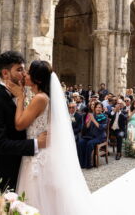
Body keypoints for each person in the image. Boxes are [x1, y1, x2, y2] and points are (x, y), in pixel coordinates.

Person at [8, 60, 95, 214]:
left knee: (38, 199)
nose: (25, 75)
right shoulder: (42, 96)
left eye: (28, 73)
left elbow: (20, 124)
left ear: (38, 79)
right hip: (36, 150)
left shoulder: (40, 98)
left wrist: (20, 97)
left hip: (38, 156)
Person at [0, 51, 47, 191]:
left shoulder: (21, 94)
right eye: (19, 70)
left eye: (24, 69)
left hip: (23, 167)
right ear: (5, 74)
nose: (24, 74)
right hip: (2, 171)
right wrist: (36, 143)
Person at [78, 102, 108, 169]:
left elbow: (101, 128)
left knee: (89, 143)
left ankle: (88, 164)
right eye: (97, 107)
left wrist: (93, 120)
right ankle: (82, 163)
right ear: (94, 108)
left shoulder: (104, 117)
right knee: (81, 142)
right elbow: (87, 127)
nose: (98, 109)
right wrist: (89, 120)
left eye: (99, 107)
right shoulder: (92, 115)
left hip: (99, 136)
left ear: (102, 109)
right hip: (90, 135)